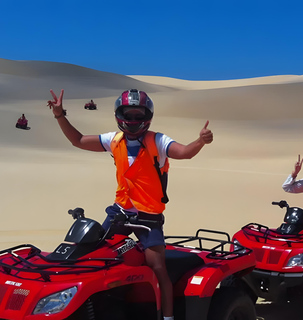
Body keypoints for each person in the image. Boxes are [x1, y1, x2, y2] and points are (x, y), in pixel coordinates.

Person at [47, 88, 213, 320]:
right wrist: (59, 115)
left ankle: (167, 317)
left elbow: (184, 152)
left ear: (147, 117)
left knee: (158, 267)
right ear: (119, 114)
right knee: (93, 254)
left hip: (149, 217)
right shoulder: (114, 140)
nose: (133, 120)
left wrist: (200, 141)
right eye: (129, 114)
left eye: (138, 115)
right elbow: (79, 140)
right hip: (120, 212)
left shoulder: (158, 141)